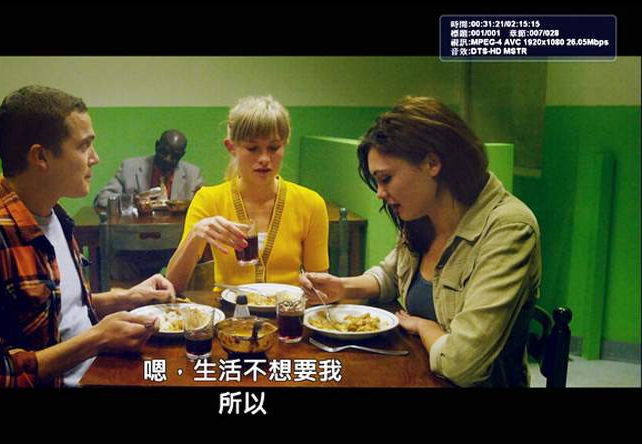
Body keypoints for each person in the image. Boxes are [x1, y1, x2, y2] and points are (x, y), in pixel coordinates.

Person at [0, 85, 176, 388]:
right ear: (41, 156)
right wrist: (95, 340)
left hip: (96, 371)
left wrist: (128, 298)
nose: (95, 158)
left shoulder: (54, 214)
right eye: (84, 146)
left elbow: (57, 314)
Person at [300, 96, 541, 387]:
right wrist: (341, 287)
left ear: (432, 162)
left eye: (386, 178)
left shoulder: (508, 228)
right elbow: (390, 274)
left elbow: (462, 363)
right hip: (420, 373)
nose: (380, 193)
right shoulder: (423, 214)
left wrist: (425, 327)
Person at [166, 95, 329, 292]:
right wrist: (196, 233)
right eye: (252, 148)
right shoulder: (208, 200)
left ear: (285, 145)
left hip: (289, 308)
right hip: (228, 309)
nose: (264, 158)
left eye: (274, 147)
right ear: (231, 147)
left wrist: (314, 286)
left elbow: (320, 287)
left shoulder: (310, 203)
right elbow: (173, 285)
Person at [93, 129, 203, 282]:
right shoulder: (130, 168)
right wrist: (133, 202)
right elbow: (103, 199)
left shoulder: (192, 174)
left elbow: (202, 207)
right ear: (156, 146)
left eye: (175, 156)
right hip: (134, 247)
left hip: (173, 246)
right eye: (164, 152)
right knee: (109, 261)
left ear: (182, 155)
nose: (168, 159)